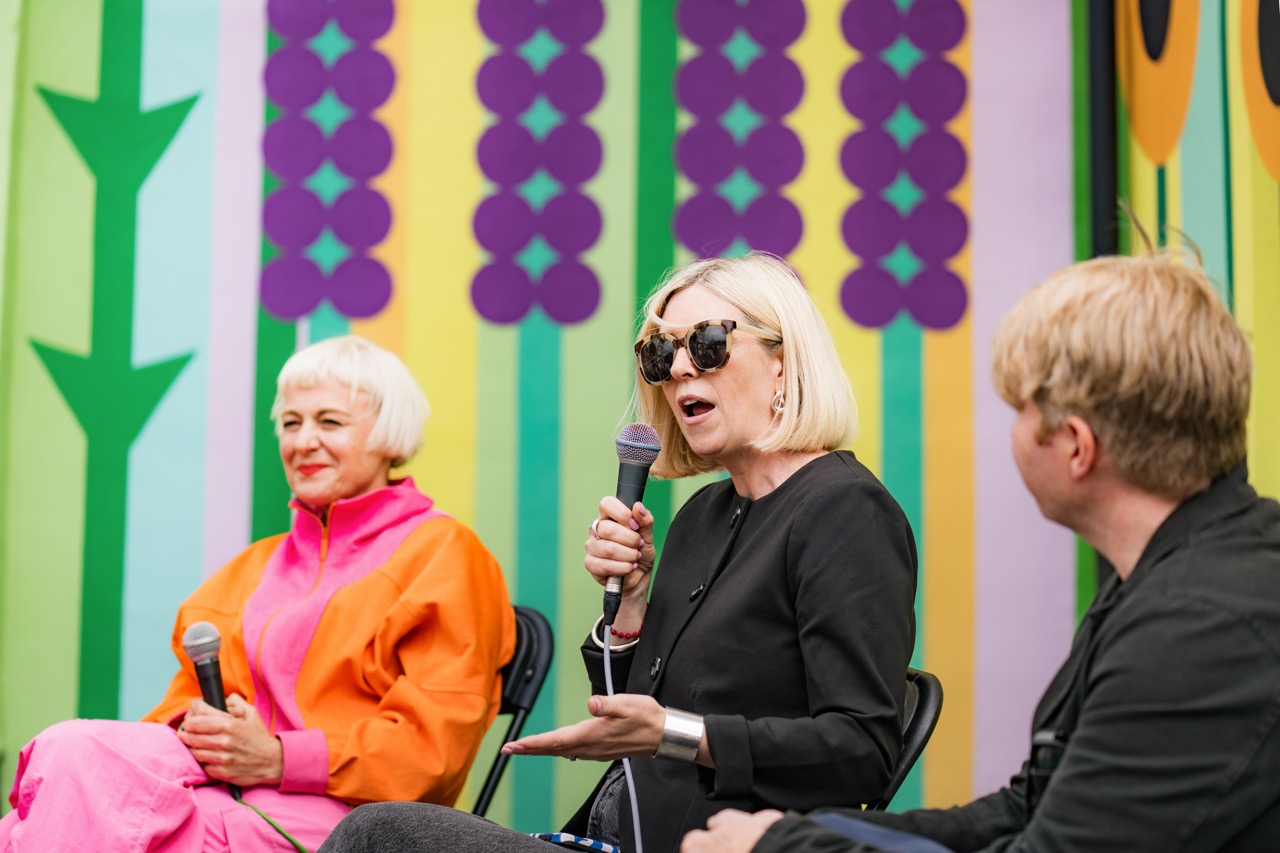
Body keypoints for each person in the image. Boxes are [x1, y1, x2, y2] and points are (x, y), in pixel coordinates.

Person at [681, 250, 1280, 853]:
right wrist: (799, 832)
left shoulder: (1199, 627)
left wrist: (778, 850)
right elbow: (1027, 808)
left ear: (1076, 447)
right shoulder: (1166, 578)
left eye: (1019, 407)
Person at [319, 252, 918, 853]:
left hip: (715, 843)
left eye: (707, 343)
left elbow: (860, 752)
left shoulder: (845, 511)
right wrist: (630, 608)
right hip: (614, 832)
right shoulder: (701, 516)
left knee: (378, 835)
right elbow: (641, 713)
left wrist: (672, 733)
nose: (680, 368)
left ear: (783, 361)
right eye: (661, 353)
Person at [0, 335, 516, 851]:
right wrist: (207, 730)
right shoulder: (252, 568)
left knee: (96, 823)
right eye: (291, 423)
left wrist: (278, 755)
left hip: (348, 820)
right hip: (219, 788)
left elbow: (432, 755)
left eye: (329, 422)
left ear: (388, 434)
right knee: (72, 751)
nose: (303, 441)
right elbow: (176, 714)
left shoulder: (445, 555)